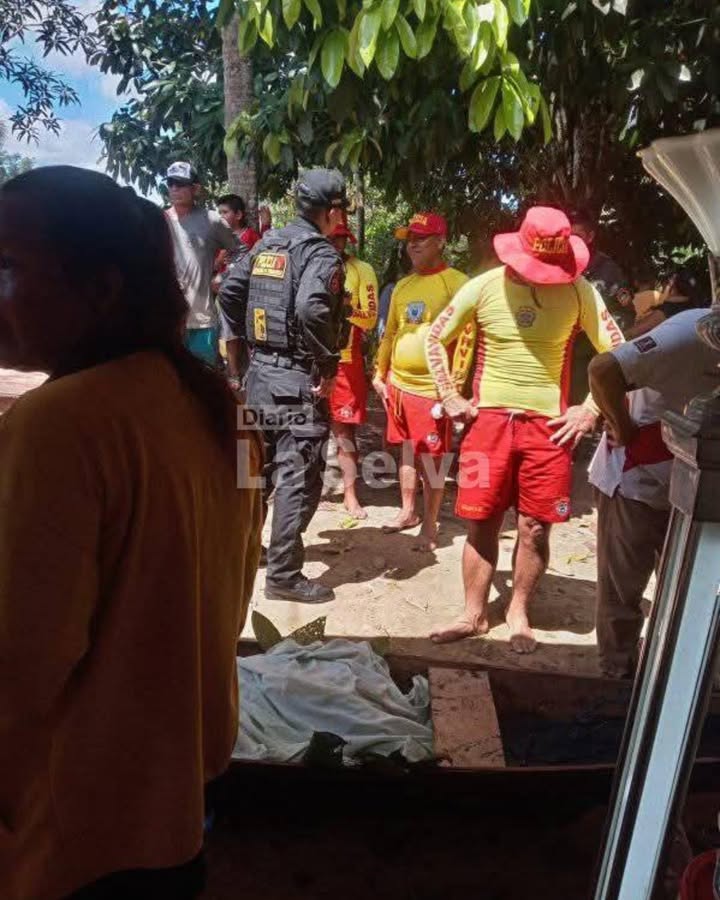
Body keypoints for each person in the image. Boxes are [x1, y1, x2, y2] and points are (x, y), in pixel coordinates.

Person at [0, 166, 263, 900]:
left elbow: (21, 659)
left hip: (72, 828)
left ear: (102, 287)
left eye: (9, 267)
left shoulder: (55, 428)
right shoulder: (231, 415)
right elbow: (237, 582)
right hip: (179, 800)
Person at [425, 207, 624, 652]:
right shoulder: (483, 286)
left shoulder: (579, 291)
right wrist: (450, 395)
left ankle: (518, 609)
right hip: (486, 424)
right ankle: (473, 613)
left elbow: (619, 353)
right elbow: (435, 336)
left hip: (549, 430)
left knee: (535, 527)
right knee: (480, 519)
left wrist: (589, 409)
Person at [219, 168, 348, 604]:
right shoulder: (321, 254)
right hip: (296, 380)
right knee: (298, 476)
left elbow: (229, 293)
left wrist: (254, 343)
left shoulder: (266, 244)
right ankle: (284, 575)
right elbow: (312, 308)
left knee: (256, 472)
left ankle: (246, 549)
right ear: (331, 212)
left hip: (258, 379)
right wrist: (327, 364)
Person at [588, 308, 720, 678]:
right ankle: (616, 673)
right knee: (623, 587)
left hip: (693, 484)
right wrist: (623, 425)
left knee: (683, 583)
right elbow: (602, 369)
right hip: (635, 478)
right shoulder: (687, 334)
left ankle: (671, 672)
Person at [372, 212, 470, 551]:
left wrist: (454, 387)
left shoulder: (457, 283)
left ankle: (430, 525)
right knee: (408, 451)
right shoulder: (403, 285)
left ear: (441, 242)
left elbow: (470, 337)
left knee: (434, 458)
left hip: (433, 391)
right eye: (409, 238)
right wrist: (379, 372)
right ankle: (407, 512)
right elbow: (391, 333)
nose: (412, 244)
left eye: (421, 238)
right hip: (399, 386)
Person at [328, 217, 379, 519]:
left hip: (345, 360)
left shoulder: (362, 270)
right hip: (309, 360)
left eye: (341, 238)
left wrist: (342, 307)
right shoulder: (307, 262)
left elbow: (370, 318)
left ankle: (350, 493)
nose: (337, 244)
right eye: (331, 237)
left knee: (345, 430)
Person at [164, 161, 239, 366]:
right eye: (170, 183)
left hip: (202, 320)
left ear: (195, 188)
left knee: (203, 383)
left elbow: (241, 252)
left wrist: (224, 276)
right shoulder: (159, 221)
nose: (174, 188)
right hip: (169, 321)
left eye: (180, 183)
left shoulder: (212, 220)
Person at [214, 193, 262, 389]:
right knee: (230, 334)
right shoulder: (219, 240)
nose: (221, 216)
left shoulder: (250, 235)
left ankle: (255, 374)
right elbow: (215, 266)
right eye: (219, 213)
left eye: (225, 212)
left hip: (250, 293)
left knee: (253, 333)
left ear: (239, 214)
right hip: (227, 295)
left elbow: (262, 257)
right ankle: (233, 372)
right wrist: (219, 262)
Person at [626, 268, 709, 339]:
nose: (663, 286)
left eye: (667, 283)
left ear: (673, 287)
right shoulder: (692, 310)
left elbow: (633, 333)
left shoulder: (668, 309)